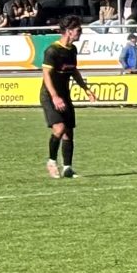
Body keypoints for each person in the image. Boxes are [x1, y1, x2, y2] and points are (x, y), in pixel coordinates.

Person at [39, 15, 92, 179]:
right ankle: (51, 162)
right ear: (69, 31)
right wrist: (54, 96)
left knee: (69, 132)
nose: (80, 33)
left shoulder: (72, 50)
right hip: (50, 95)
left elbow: (74, 71)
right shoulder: (52, 51)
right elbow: (46, 75)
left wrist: (85, 89)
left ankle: (68, 168)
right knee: (60, 128)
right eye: (78, 30)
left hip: (64, 95)